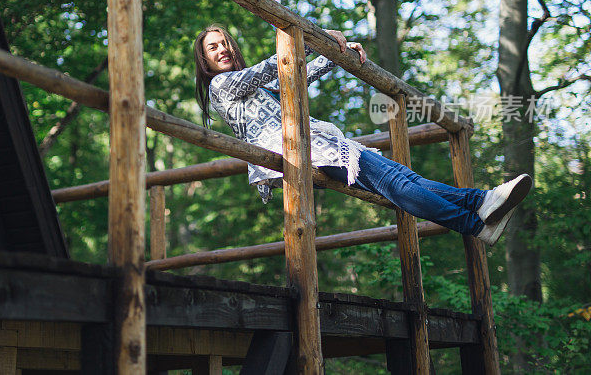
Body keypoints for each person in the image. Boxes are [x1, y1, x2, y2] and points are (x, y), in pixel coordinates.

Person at [193, 24, 532, 246]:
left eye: (225, 43)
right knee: (396, 184)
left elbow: (294, 75)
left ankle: (481, 208)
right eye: (213, 48)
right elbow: (277, 64)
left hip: (315, 143)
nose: (222, 49)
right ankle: (474, 221)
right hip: (300, 149)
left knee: (401, 176)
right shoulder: (221, 85)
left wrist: (337, 54)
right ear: (204, 60)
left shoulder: (252, 84)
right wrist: (308, 39)